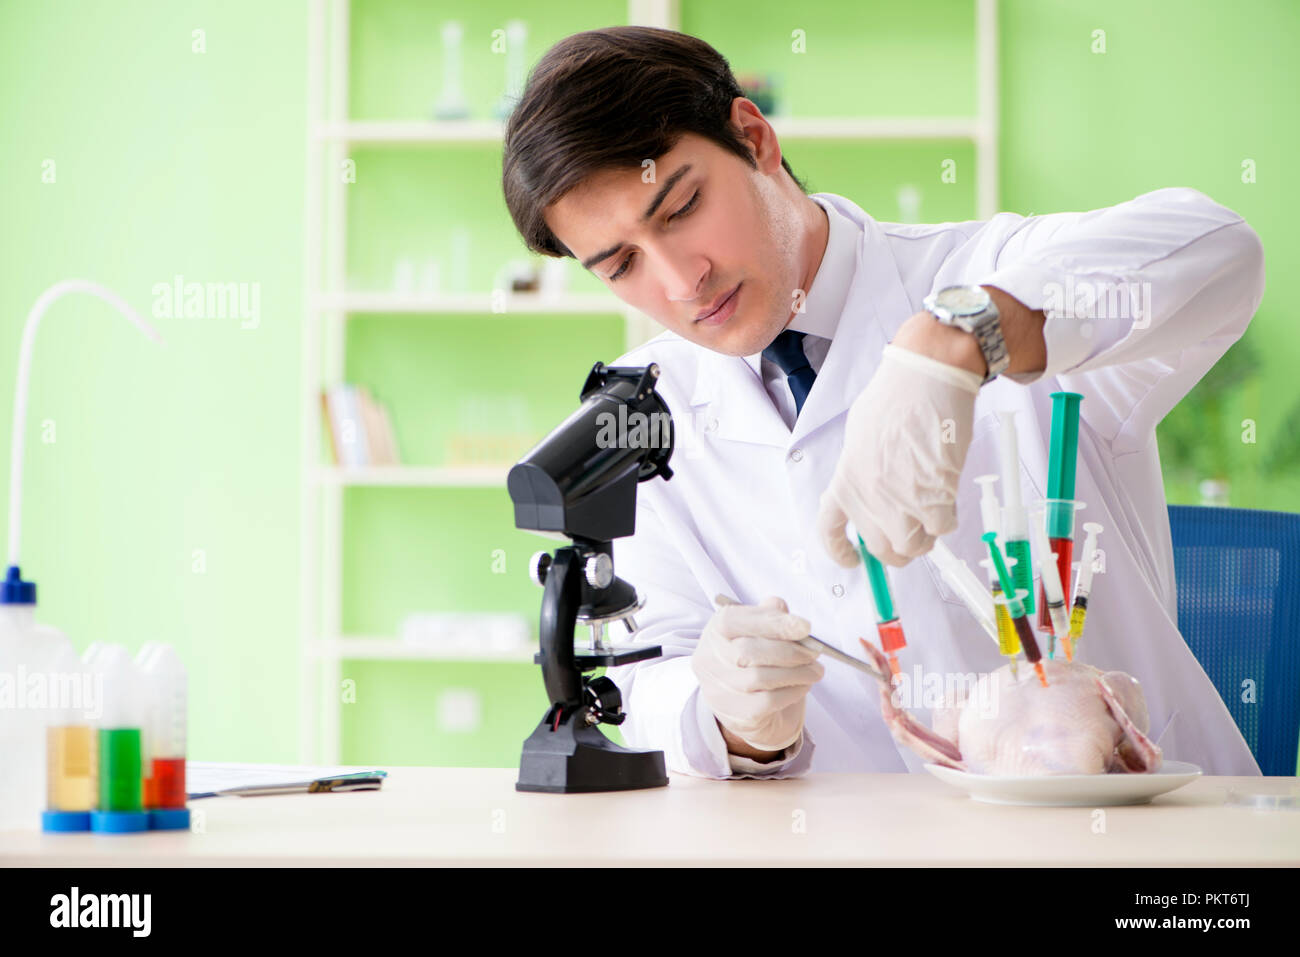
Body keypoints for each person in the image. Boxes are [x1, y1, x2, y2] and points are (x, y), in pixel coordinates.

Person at [502, 26, 1265, 778]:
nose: (680, 280)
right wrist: (732, 721)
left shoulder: (986, 272)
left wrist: (960, 340)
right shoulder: (644, 415)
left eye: (681, 208)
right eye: (621, 263)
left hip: (1129, 843)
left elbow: (1219, 250)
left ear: (753, 136)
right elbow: (641, 682)